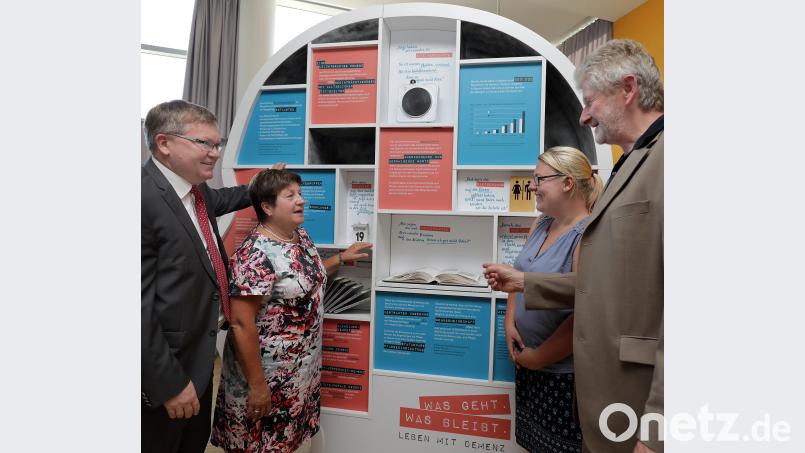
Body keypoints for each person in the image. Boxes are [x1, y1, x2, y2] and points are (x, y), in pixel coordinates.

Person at [483, 39, 664, 453]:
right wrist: (523, 283)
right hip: (605, 398)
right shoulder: (633, 161)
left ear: (628, 89)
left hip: (632, 405)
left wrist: (657, 431)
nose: (583, 116)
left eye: (590, 101)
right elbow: (601, 286)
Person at [142, 99, 285, 453]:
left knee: (190, 443)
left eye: (217, 144)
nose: (215, 153)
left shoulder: (195, 191)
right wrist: (169, 384)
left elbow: (224, 200)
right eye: (204, 143)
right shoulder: (141, 200)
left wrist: (262, 184)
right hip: (167, 371)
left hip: (200, 358)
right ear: (164, 143)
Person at [211, 169, 372, 453]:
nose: (301, 201)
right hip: (267, 380)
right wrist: (258, 387)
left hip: (300, 375)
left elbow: (303, 275)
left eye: (300, 194)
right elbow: (241, 324)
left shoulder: (298, 236)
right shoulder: (254, 255)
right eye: (290, 196)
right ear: (267, 206)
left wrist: (340, 259)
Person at [507, 147, 602, 453]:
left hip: (561, 378)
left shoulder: (587, 234)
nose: (532, 186)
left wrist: (537, 358)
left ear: (567, 183)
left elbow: (583, 312)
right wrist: (510, 324)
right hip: (528, 369)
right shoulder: (542, 223)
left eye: (539, 179)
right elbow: (518, 275)